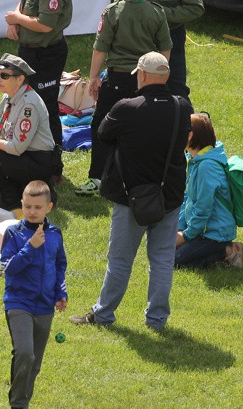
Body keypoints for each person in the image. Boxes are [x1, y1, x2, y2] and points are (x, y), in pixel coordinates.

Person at [70, 52, 192, 330]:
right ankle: (157, 320)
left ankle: (103, 315)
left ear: (144, 75)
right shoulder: (181, 106)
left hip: (130, 196)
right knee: (162, 259)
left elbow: (102, 134)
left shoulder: (127, 107)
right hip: (168, 196)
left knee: (120, 260)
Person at [76, 0, 172, 196]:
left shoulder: (112, 12)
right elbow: (165, 50)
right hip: (146, 80)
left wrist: (94, 77)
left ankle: (98, 177)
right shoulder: (157, 13)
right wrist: (160, 76)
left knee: (103, 127)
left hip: (117, 79)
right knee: (143, 128)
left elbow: (100, 49)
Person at [5, 0, 72, 180]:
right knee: (25, 104)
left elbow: (45, 24)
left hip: (46, 55)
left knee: (46, 107)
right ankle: (28, 156)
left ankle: (54, 168)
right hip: (30, 53)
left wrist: (17, 19)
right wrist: (15, 21)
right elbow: (25, 1)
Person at [0, 180, 67, 409]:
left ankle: (23, 402)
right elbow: (8, 268)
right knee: (25, 354)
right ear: (22, 204)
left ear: (49, 207)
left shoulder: (56, 234)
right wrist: (30, 246)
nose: (32, 212)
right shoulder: (14, 233)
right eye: (27, 206)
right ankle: (17, 404)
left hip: (45, 306)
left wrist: (60, 292)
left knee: (34, 363)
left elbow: (59, 265)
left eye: (38, 207)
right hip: (18, 302)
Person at [0, 54, 57, 211]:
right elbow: (2, 135)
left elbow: (16, 148)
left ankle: (11, 198)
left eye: (5, 76)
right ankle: (24, 189)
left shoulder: (29, 105)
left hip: (37, 161)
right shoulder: (8, 98)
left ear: (20, 79)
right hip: (20, 158)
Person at [175, 113, 243, 268]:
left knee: (174, 262)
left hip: (214, 234)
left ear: (190, 135)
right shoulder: (194, 160)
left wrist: (185, 236)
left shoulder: (207, 167)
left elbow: (204, 207)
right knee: (163, 249)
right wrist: (179, 228)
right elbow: (187, 198)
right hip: (200, 229)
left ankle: (229, 251)